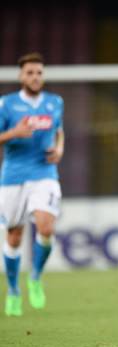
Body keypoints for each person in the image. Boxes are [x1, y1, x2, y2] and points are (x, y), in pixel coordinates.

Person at [0, 53, 64, 316]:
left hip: (44, 173)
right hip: (13, 176)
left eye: (39, 72)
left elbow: (59, 130)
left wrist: (59, 148)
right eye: (30, 73)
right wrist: (14, 133)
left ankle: (35, 276)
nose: (35, 77)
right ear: (20, 76)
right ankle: (14, 289)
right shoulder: (6, 104)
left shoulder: (54, 102)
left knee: (46, 227)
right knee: (14, 237)